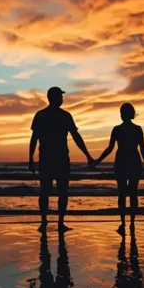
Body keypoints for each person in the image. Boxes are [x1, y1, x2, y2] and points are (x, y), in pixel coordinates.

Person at [29, 87, 93, 232]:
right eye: (60, 96)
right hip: (57, 158)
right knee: (56, 191)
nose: (62, 99)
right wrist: (30, 159)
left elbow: (75, 137)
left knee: (50, 191)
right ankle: (53, 223)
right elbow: (34, 138)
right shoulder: (57, 116)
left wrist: (31, 159)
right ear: (53, 98)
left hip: (51, 158)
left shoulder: (45, 115)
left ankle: (49, 223)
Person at [90, 103, 144, 234]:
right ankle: (132, 223)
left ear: (123, 114)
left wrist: (97, 161)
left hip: (122, 161)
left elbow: (110, 148)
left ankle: (123, 224)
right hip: (134, 161)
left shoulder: (117, 129)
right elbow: (142, 148)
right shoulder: (137, 129)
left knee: (122, 193)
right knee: (133, 193)